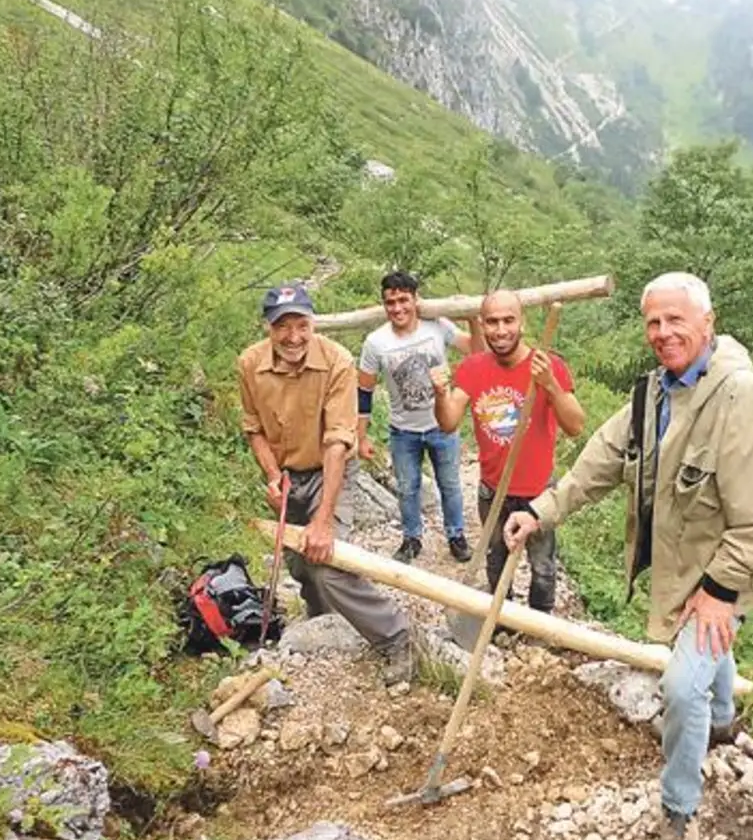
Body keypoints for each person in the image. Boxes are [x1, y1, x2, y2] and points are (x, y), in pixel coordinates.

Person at [501, 272, 753, 840]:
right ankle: (720, 722)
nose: (663, 334)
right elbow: (596, 468)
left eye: (676, 321)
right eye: (654, 323)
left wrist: (718, 593)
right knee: (709, 664)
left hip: (720, 575)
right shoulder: (652, 396)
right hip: (677, 570)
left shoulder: (741, 398)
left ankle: (680, 808)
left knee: (682, 685)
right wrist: (537, 511)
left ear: (707, 324)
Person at [237, 284, 416, 685]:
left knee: (328, 559)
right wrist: (270, 475)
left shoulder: (337, 361)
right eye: (283, 327)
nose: (294, 337)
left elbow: (338, 441)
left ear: (313, 322)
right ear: (268, 327)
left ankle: (397, 636)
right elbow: (254, 430)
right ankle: (324, 625)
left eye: (302, 325)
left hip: (330, 470)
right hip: (287, 474)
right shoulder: (250, 364)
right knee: (301, 566)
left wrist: (323, 521)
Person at [431, 289, 585, 615]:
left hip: (539, 492)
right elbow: (448, 423)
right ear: (482, 325)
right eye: (492, 322)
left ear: (522, 323)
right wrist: (440, 393)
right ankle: (499, 618)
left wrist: (550, 385)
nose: (500, 330)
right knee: (496, 558)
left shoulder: (548, 366)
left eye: (508, 320)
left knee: (542, 565)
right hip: (493, 490)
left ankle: (538, 624)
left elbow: (575, 426)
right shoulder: (473, 368)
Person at [357, 271, 476, 565]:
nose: (397, 308)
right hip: (403, 431)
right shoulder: (375, 342)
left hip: (442, 424)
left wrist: (473, 314)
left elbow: (475, 349)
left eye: (403, 300)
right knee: (407, 487)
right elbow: (364, 391)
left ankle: (456, 536)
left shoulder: (437, 326)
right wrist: (361, 436)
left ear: (415, 299)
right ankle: (411, 538)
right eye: (390, 302)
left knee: (449, 485)